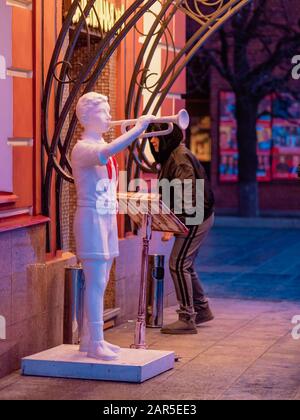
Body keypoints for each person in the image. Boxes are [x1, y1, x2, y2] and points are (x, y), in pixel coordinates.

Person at [72, 92, 153, 360]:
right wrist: (138, 130)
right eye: (103, 112)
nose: (109, 116)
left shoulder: (100, 143)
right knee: (96, 282)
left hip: (105, 218)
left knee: (102, 281)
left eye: (108, 110)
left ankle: (89, 339)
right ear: (86, 117)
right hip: (91, 219)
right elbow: (107, 152)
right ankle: (95, 341)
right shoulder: (83, 147)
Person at [149, 123, 215, 334]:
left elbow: (187, 196)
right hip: (193, 215)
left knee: (178, 264)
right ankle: (201, 309)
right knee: (184, 264)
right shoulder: (172, 155)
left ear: (166, 137)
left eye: (156, 136)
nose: (152, 141)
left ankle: (187, 318)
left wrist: (176, 224)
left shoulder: (180, 158)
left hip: (196, 216)